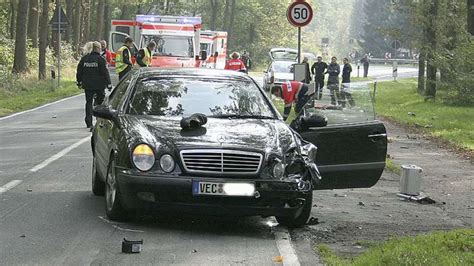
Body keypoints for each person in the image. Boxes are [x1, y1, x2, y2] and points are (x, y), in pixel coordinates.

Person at [76, 41, 112, 130]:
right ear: (97, 48)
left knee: (89, 103)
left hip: (88, 85)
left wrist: (79, 82)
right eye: (100, 48)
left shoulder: (85, 59)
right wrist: (109, 84)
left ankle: (89, 122)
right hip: (99, 85)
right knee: (100, 104)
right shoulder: (100, 59)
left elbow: (79, 71)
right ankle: (99, 121)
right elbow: (105, 72)